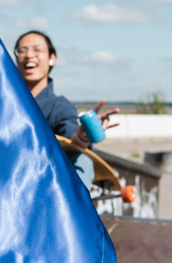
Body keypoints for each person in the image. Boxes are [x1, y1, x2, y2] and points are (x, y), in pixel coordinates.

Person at [14, 31, 120, 188]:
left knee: (82, 161)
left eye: (37, 50)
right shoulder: (2, 101)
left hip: (42, 183)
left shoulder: (60, 106)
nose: (29, 55)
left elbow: (71, 139)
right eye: (22, 50)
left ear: (52, 58)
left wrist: (83, 135)